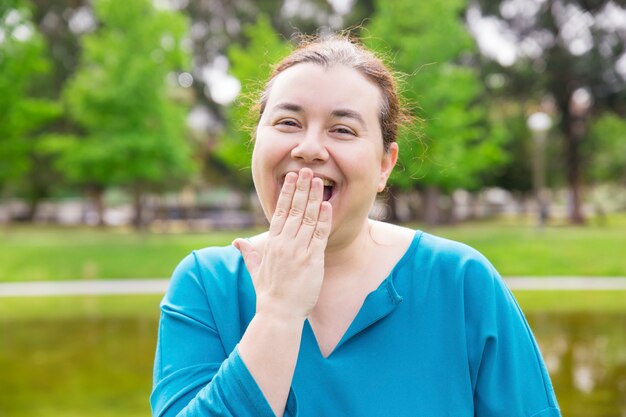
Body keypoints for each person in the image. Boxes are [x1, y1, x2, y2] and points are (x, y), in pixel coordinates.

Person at [150, 35, 561, 417]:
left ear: (385, 164)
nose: (308, 148)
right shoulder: (206, 284)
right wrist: (279, 313)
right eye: (288, 122)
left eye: (342, 129)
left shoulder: (462, 282)